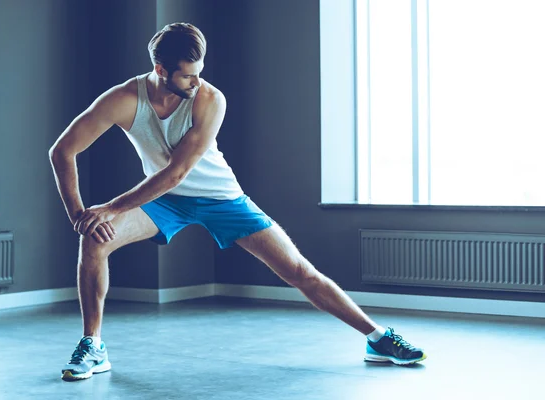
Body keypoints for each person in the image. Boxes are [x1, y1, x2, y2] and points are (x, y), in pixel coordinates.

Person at [49, 22, 426, 381]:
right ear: (160, 69)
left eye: (199, 72)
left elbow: (177, 172)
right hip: (163, 199)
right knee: (94, 239)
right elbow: (62, 151)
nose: (196, 81)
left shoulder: (210, 99)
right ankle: (93, 345)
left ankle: (377, 338)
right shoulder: (124, 100)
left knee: (297, 270)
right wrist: (80, 215)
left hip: (220, 198)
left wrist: (111, 207)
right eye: (187, 75)